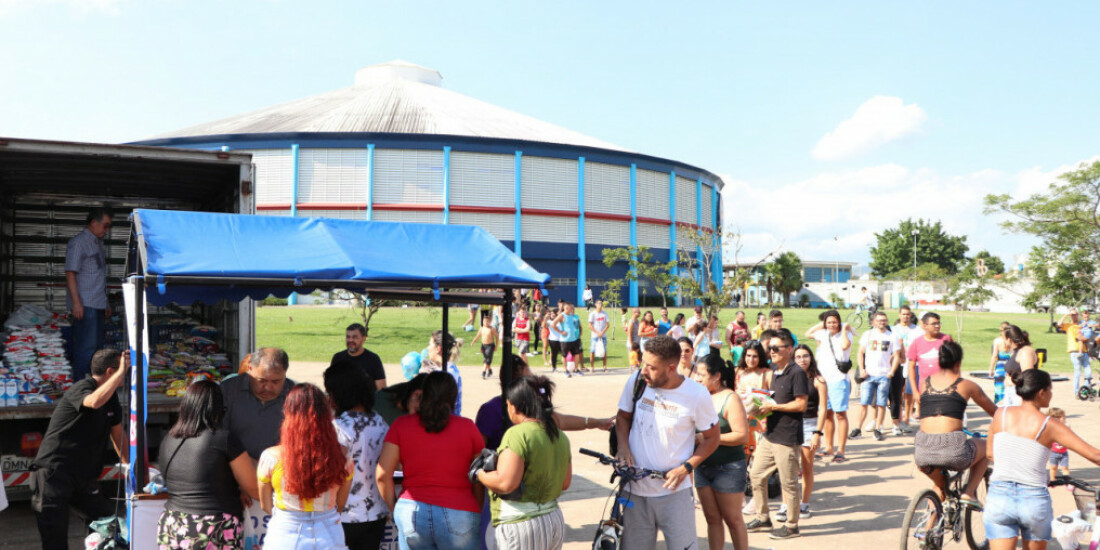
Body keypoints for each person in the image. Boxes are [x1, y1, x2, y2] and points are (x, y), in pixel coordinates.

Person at [614, 335, 720, 550]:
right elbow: (622, 417)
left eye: (651, 367)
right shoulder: (637, 381)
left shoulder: (696, 395)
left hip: (675, 495)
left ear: (671, 368)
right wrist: (623, 447)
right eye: (643, 363)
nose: (643, 370)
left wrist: (686, 467)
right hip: (635, 491)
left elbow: (712, 438)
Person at [985, 369, 1100, 550]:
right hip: (1032, 498)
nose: (1051, 395)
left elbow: (990, 454)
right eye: (1050, 390)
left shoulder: (1001, 414)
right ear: (1041, 393)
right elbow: (1095, 455)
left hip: (999, 496)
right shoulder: (1050, 425)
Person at [31, 349, 127, 550]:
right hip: (54, 474)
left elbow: (119, 438)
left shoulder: (112, 399)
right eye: (123, 371)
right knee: (55, 540)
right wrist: (120, 373)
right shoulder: (82, 387)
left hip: (82, 478)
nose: (125, 375)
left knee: (108, 523)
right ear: (111, 372)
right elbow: (93, 402)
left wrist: (135, 471)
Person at [377, 371, 484, 550]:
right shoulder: (468, 428)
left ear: (422, 394)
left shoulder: (401, 425)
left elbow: (382, 475)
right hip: (460, 510)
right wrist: (475, 508)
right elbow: (479, 476)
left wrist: (396, 507)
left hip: (411, 510)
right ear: (453, 398)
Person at [157, 380, 258, 550]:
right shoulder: (224, 439)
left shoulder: (168, 439)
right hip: (212, 526)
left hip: (172, 523)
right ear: (218, 411)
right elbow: (253, 488)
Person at [476, 376, 572, 550]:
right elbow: (565, 483)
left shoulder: (517, 434)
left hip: (521, 523)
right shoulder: (560, 436)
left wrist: (480, 474)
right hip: (553, 520)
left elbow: (505, 484)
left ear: (513, 406)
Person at [258, 384, 353, 549]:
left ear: (288, 414)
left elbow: (266, 505)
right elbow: (341, 502)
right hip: (329, 531)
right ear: (326, 415)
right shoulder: (343, 456)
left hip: (285, 531)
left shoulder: (271, 457)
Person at [221, 347, 295, 547]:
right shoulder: (228, 391)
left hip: (280, 489)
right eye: (262, 381)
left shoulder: (295, 396)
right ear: (250, 369)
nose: (268, 388)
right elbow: (217, 442)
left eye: (276, 381)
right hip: (234, 484)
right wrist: (239, 483)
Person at [913, 341, 995, 508]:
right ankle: (969, 492)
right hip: (953, 450)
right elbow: (995, 412)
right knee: (987, 447)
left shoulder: (925, 383)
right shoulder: (968, 385)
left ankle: (929, 529)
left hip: (922, 453)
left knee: (940, 487)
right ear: (959, 362)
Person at [746, 329, 808, 540]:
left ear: (789, 349)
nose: (771, 351)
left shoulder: (796, 372)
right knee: (755, 475)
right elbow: (773, 400)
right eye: (769, 348)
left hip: (787, 437)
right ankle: (763, 518)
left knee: (788, 483)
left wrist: (776, 407)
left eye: (775, 348)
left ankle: (792, 526)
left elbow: (801, 404)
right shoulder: (774, 370)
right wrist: (758, 406)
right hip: (770, 434)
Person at [325, 362, 389, 550]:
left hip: (343, 515)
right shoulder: (380, 422)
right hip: (375, 513)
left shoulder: (339, 427)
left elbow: (334, 472)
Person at [691, 353, 750, 550]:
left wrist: (709, 439)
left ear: (716, 376)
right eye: (696, 374)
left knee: (733, 520)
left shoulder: (730, 399)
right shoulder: (699, 396)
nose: (697, 379)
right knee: (712, 519)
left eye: (701, 375)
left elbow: (742, 436)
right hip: (702, 466)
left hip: (729, 468)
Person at [65, 208, 112, 381]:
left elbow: (98, 275)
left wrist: (105, 302)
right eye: (105, 226)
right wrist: (76, 303)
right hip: (86, 305)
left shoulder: (98, 243)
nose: (106, 230)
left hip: (97, 303)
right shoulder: (79, 242)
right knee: (86, 349)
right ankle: (80, 388)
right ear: (94, 223)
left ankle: (94, 385)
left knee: (97, 351)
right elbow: (70, 272)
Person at [805, 310, 855, 463]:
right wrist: (824, 322)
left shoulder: (846, 334)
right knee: (826, 414)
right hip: (823, 380)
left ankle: (841, 450)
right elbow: (808, 334)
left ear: (839, 322)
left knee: (840, 414)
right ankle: (829, 447)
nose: (832, 325)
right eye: (829, 322)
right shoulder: (823, 333)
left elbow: (846, 346)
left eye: (835, 322)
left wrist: (845, 329)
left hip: (839, 379)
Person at [788, 344, 826, 521]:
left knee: (807, 466)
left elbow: (823, 409)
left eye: (805, 356)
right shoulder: (790, 377)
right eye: (798, 357)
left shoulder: (818, 380)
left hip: (810, 424)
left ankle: (804, 503)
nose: (802, 359)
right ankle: (787, 504)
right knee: (788, 467)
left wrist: (818, 432)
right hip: (791, 424)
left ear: (811, 358)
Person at [853, 311, 902, 441]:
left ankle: (878, 428)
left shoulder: (892, 336)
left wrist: (891, 372)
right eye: (879, 320)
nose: (882, 322)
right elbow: (860, 353)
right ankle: (858, 428)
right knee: (864, 402)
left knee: (881, 403)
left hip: (884, 375)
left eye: (884, 320)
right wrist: (862, 369)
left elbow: (897, 355)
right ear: (873, 322)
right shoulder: (868, 335)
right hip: (869, 375)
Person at [907, 312, 953, 403]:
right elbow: (911, 367)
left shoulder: (946, 340)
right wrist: (915, 391)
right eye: (934, 324)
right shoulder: (917, 342)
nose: (937, 326)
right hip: (925, 389)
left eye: (938, 323)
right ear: (925, 325)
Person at [331, 323, 387, 390]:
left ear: (363, 339)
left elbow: (381, 389)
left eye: (355, 337)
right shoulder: (338, 358)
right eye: (348, 337)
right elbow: (331, 386)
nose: (350, 340)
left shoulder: (373, 359)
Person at [420, 330, 464, 414]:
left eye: (430, 344)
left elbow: (435, 402)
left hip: (446, 421)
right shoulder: (449, 368)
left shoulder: (446, 373)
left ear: (438, 349)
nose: (427, 348)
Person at [895, 306, 921, 430]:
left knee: (909, 391)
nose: (905, 316)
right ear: (899, 315)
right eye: (903, 314)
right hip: (897, 363)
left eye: (908, 314)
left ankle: (907, 417)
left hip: (912, 363)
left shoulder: (917, 330)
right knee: (898, 391)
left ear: (911, 315)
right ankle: (898, 417)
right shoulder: (893, 329)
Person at [1059, 309, 1092, 395]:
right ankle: (1076, 392)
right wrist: (1066, 314)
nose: (1074, 316)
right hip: (1074, 352)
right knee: (1077, 372)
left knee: (1088, 372)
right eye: (1072, 315)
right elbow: (1059, 324)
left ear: (1078, 315)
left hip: (1084, 351)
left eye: (1075, 314)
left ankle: (1086, 389)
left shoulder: (1082, 324)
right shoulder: (1069, 325)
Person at [553, 302, 586, 375]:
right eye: (571, 308)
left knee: (577, 354)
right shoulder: (562, 315)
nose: (572, 309)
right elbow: (553, 324)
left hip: (573, 339)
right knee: (564, 355)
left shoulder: (571, 315)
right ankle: (565, 370)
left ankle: (576, 369)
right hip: (565, 340)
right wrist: (561, 332)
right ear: (566, 308)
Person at [988, 322, 1012, 404]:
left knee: (999, 390)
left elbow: (994, 356)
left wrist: (991, 369)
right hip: (1011, 369)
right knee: (1010, 390)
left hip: (1000, 368)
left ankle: (999, 408)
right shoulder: (1012, 341)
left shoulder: (997, 341)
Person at [1046, 407, 1071, 481]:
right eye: (1059, 418)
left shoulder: (1066, 426)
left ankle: (1067, 481)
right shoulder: (1050, 428)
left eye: (1063, 417)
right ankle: (1052, 479)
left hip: (1064, 452)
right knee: (1053, 467)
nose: (1062, 419)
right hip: (1053, 452)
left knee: (1065, 467)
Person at [588, 300, 610, 371]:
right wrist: (597, 333)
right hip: (594, 336)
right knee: (592, 351)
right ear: (595, 305)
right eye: (599, 303)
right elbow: (590, 326)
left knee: (604, 351)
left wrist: (602, 333)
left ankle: (604, 366)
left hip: (603, 336)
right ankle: (592, 367)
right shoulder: (593, 314)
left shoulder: (604, 314)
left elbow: (607, 325)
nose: (600, 305)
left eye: (601, 303)